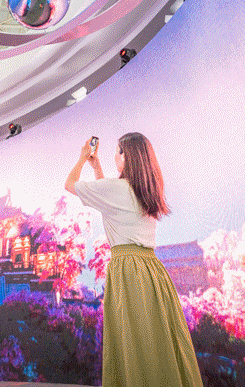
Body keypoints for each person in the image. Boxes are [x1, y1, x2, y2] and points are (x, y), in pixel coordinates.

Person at [65, 132, 203, 387]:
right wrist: (98, 170)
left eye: (118, 151)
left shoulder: (118, 190)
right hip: (152, 271)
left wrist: (83, 158)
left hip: (128, 270)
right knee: (157, 342)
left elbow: (70, 184)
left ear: (127, 156)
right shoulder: (148, 192)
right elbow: (112, 204)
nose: (115, 156)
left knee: (134, 345)